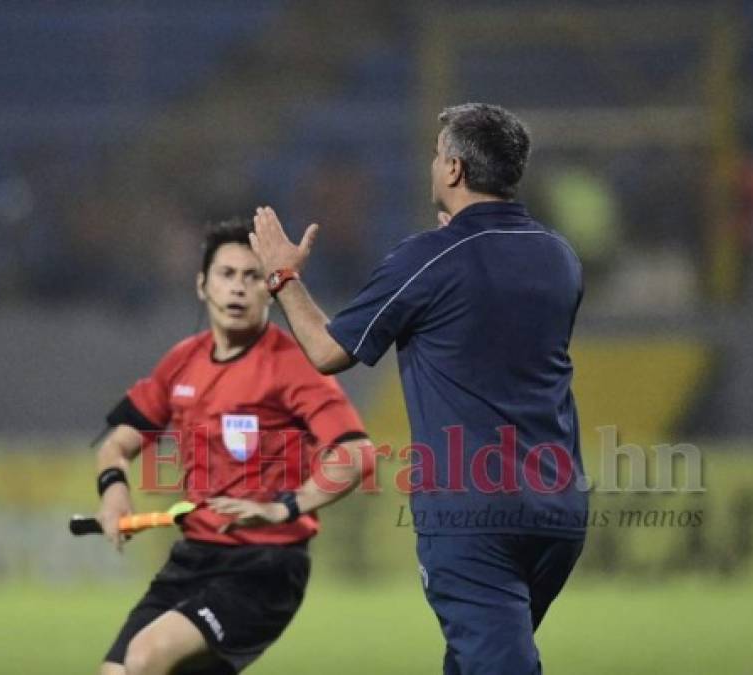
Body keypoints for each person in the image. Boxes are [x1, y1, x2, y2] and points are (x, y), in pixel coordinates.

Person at [250, 103, 587, 674]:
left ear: (454, 170)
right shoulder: (561, 257)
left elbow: (329, 351)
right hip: (558, 509)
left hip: (472, 511)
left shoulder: (430, 257)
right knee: (476, 656)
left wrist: (283, 277)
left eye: (437, 156)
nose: (432, 166)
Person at [93, 219, 371, 675]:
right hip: (194, 559)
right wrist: (114, 490)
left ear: (270, 290)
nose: (238, 288)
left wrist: (286, 507)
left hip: (265, 568)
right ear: (202, 285)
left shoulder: (292, 365)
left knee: (146, 658)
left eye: (253, 276)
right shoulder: (182, 361)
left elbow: (355, 453)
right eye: (226, 275)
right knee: (117, 672)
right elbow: (116, 445)